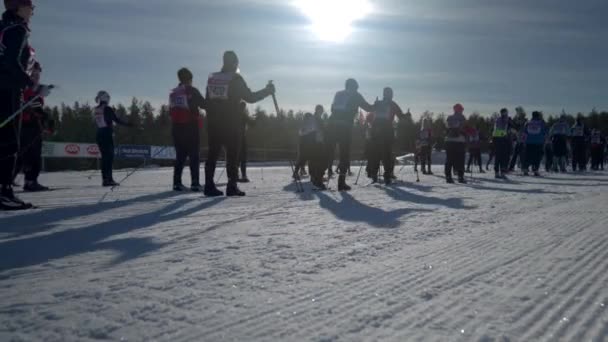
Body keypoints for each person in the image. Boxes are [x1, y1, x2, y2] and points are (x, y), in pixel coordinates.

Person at [0, 0, 49, 210]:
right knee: (9, 142)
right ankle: (4, 192)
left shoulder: (4, 27)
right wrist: (32, 86)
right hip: (7, 91)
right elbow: (11, 63)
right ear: (19, 8)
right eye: (30, 7)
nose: (32, 11)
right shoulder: (17, 28)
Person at [205, 50, 275, 197]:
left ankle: (209, 185)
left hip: (213, 123)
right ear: (235, 63)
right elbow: (249, 97)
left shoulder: (213, 79)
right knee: (232, 156)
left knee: (212, 155)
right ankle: (231, 185)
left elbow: (207, 102)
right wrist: (267, 91)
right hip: (231, 123)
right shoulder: (235, 79)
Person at [327, 78, 374, 191]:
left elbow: (332, 108)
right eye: (356, 87)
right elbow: (367, 107)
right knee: (344, 154)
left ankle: (317, 178)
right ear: (354, 87)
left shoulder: (338, 94)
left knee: (329, 151)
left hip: (331, 125)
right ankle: (341, 182)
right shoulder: (356, 95)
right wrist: (376, 105)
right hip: (344, 127)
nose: (357, 89)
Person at [14, 61, 54, 191]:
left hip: (31, 125)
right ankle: (29, 181)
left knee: (24, 154)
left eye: (37, 75)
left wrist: (45, 122)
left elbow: (38, 109)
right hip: (25, 125)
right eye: (33, 75)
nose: (36, 78)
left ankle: (21, 179)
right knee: (29, 154)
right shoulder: (24, 88)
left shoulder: (34, 89)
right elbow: (33, 106)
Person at [169, 67, 205, 192]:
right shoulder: (192, 91)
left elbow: (171, 111)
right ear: (190, 78)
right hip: (191, 127)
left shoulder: (174, 93)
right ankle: (195, 182)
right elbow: (204, 104)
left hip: (177, 128)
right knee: (194, 155)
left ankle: (176, 182)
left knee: (180, 157)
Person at [94, 91, 133, 186]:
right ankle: (109, 179)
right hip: (107, 135)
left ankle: (105, 179)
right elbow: (116, 120)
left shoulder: (96, 109)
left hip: (99, 134)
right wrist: (128, 124)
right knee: (109, 158)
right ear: (105, 98)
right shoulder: (107, 108)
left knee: (104, 158)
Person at [367, 87, 405, 185]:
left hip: (375, 130)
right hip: (387, 130)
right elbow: (401, 116)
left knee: (376, 153)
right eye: (391, 93)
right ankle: (387, 176)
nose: (391, 95)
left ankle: (374, 174)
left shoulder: (378, 103)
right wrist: (407, 117)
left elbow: (371, 113)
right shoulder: (392, 104)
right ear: (389, 94)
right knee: (387, 154)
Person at [294, 105, 327, 189]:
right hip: (313, 143)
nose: (321, 112)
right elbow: (306, 131)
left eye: (322, 110)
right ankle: (315, 178)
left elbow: (320, 130)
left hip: (316, 142)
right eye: (320, 110)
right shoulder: (313, 119)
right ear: (317, 110)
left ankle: (315, 177)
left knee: (311, 160)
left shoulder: (317, 119)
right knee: (312, 160)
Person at [444, 103, 467, 183]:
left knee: (449, 159)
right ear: (460, 110)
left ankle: (448, 176)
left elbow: (446, 129)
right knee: (460, 159)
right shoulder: (462, 118)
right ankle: (460, 177)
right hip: (459, 141)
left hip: (449, 141)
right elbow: (464, 129)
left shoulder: (449, 118)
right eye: (461, 109)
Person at [522, 111, 546, 176]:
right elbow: (545, 132)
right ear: (538, 116)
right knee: (537, 156)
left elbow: (524, 133)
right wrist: (545, 140)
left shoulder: (527, 123)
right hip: (538, 142)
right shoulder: (541, 123)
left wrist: (523, 141)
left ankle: (525, 169)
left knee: (528, 156)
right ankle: (535, 169)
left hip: (528, 142)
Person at [492, 108, 514, 179]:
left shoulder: (500, 119)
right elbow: (507, 127)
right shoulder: (503, 119)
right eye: (506, 112)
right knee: (501, 156)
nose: (506, 114)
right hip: (501, 138)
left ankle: (500, 172)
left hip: (500, 138)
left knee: (501, 156)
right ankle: (499, 172)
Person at [238, 101, 254, 183]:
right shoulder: (243, 115)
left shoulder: (235, 115)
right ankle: (243, 175)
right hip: (241, 138)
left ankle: (235, 175)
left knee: (237, 157)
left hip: (235, 138)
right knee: (243, 157)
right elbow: (251, 123)